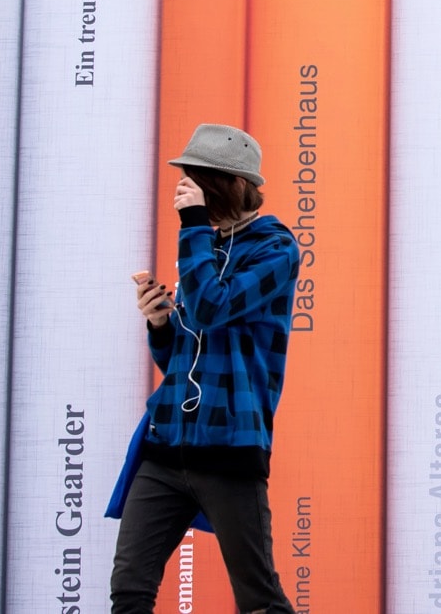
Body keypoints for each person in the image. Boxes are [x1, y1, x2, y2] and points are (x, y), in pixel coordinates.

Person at [109, 123, 300, 614]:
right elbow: (181, 360)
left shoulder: (275, 247)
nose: (187, 189)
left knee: (259, 598)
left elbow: (215, 308)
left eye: (198, 179)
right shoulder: (205, 245)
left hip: (229, 447)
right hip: (165, 443)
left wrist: (192, 225)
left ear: (233, 183)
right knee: (129, 589)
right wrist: (159, 323)